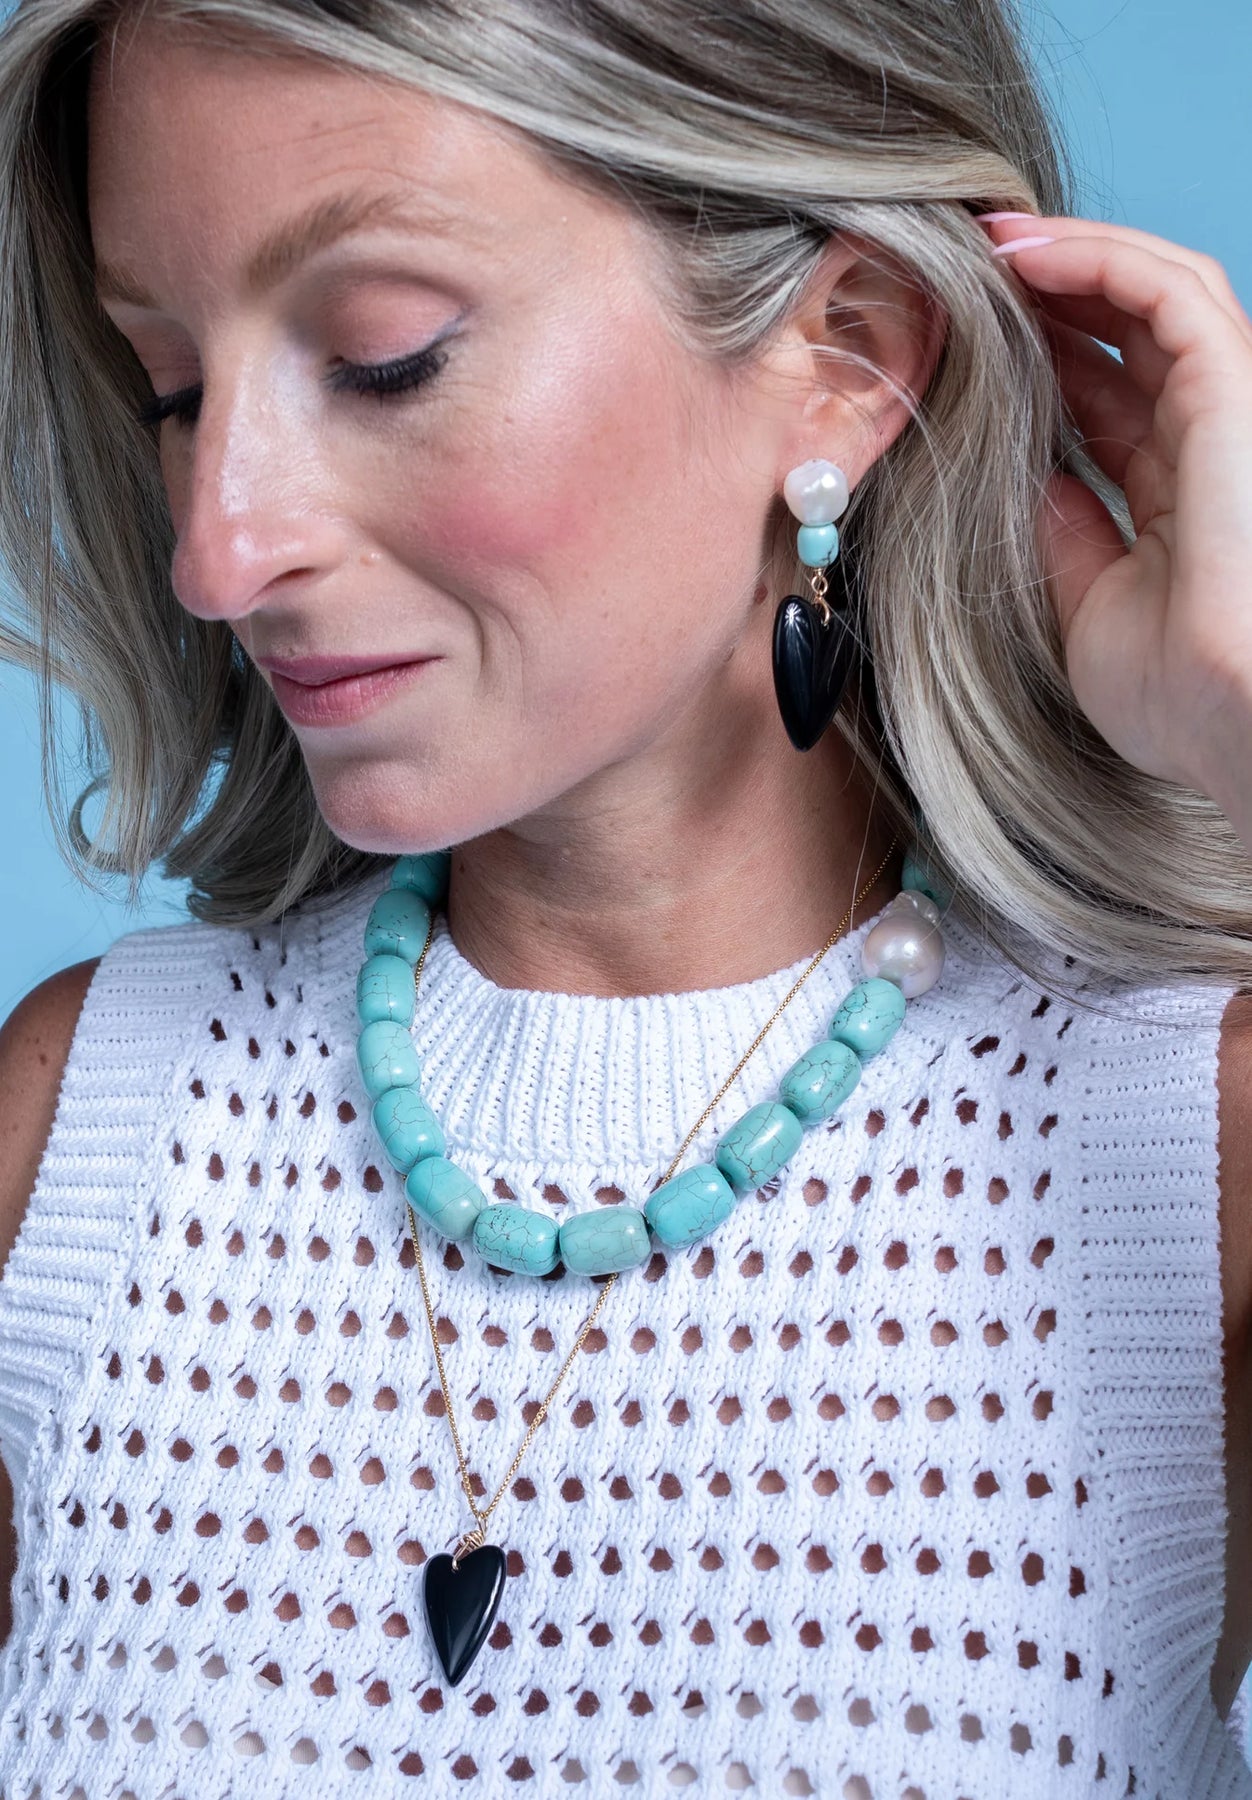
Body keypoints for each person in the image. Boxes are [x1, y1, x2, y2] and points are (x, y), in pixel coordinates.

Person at [0, 0, 1250, 1793]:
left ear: (846, 356)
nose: (218, 548)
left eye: (384, 358)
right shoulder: (78, 1137)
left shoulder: (1187, 1163)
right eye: (172, 391)